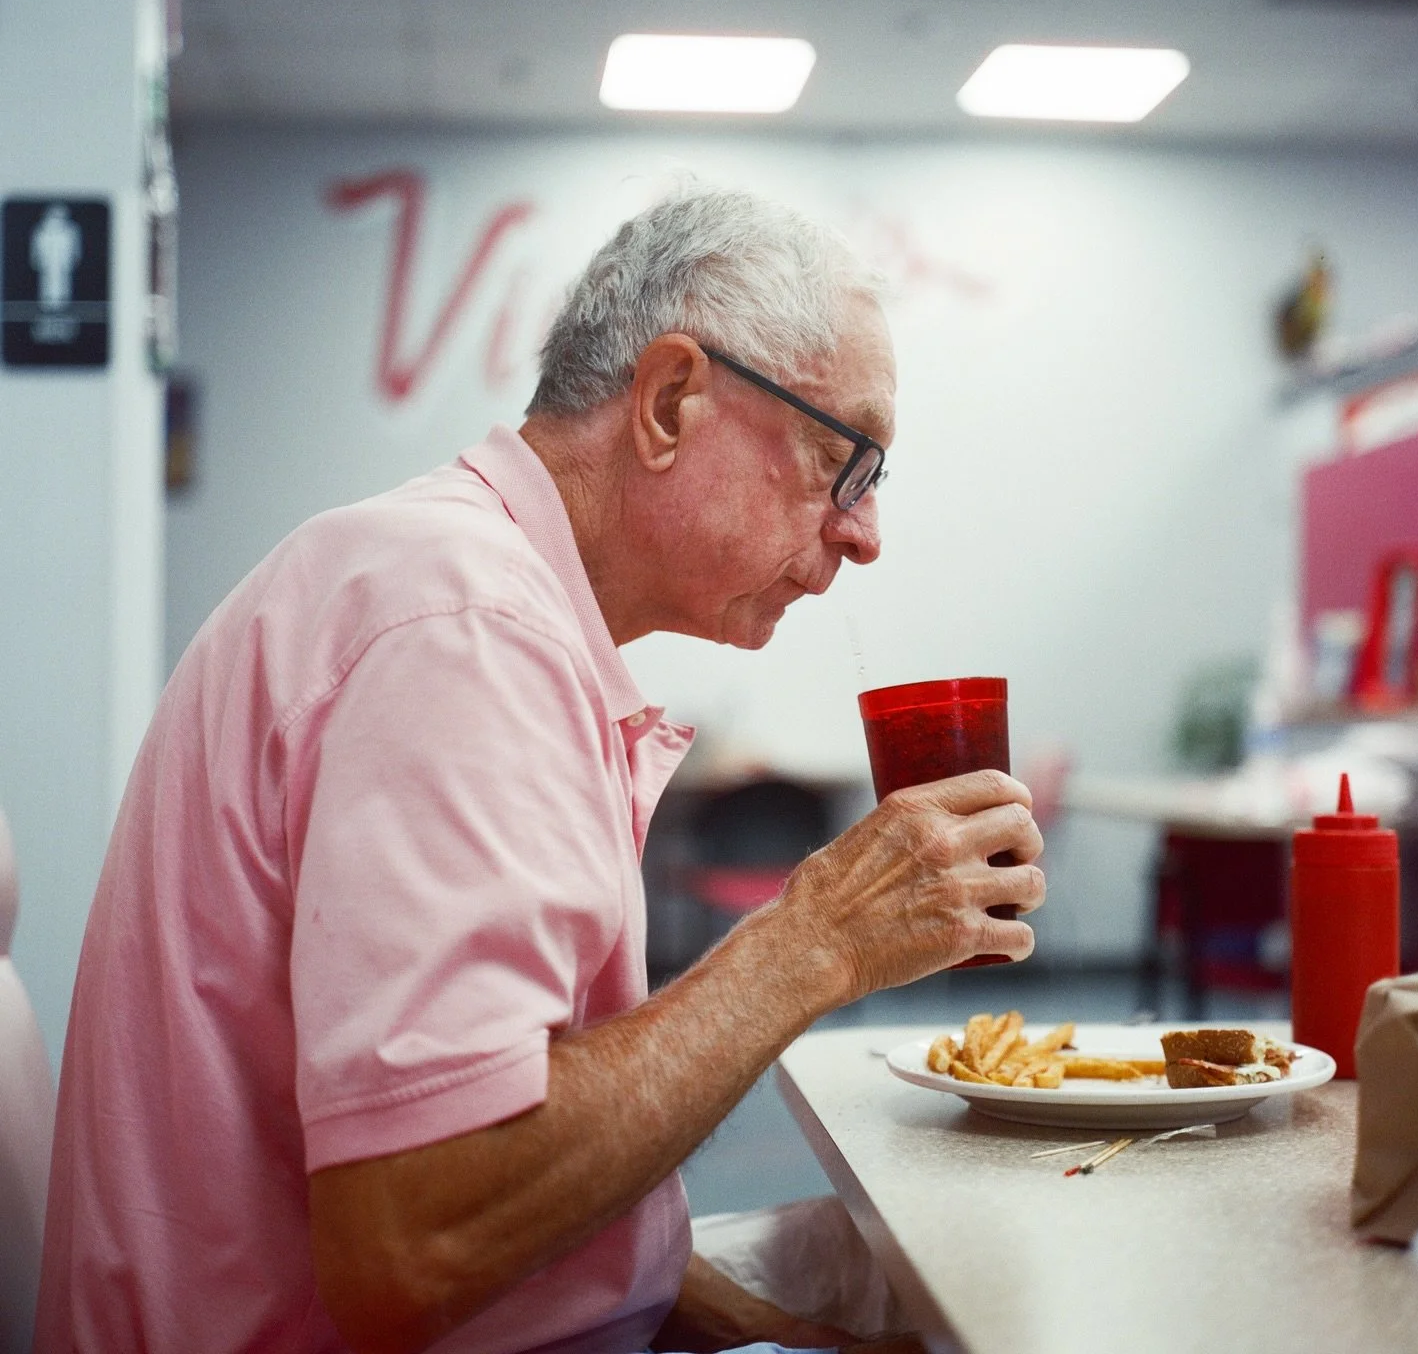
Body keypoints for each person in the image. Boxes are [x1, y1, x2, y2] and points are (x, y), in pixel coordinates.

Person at [35, 186, 1044, 1354]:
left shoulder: (457, 586)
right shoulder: (463, 629)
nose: (862, 532)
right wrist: (818, 938)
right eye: (843, 458)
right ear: (670, 403)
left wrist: (769, 1328)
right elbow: (418, 1241)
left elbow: (525, 1213)